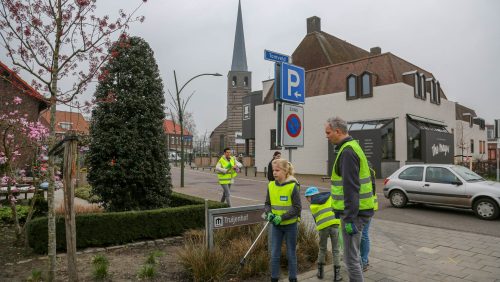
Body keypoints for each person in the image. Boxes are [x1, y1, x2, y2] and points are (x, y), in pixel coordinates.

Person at [325, 116, 374, 282]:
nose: (326, 136)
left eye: (328, 132)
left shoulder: (347, 152)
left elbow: (351, 188)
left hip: (353, 214)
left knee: (351, 259)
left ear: (337, 131)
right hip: (359, 211)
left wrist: (350, 218)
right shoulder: (353, 147)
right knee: (354, 257)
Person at [264, 159, 301, 282]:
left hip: (290, 226)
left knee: (291, 254)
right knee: (274, 254)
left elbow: (297, 208)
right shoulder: (270, 185)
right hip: (276, 226)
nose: (274, 173)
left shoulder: (292, 186)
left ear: (285, 171)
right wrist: (269, 214)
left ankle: (292, 278)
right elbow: (267, 204)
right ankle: (274, 278)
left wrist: (282, 217)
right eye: (273, 170)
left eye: (277, 170)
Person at [304, 186, 343, 281]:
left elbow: (316, 220)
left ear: (311, 196)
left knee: (322, 249)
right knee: (336, 250)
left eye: (307, 197)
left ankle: (320, 273)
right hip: (334, 225)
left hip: (323, 228)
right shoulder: (330, 197)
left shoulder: (313, 206)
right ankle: (337, 275)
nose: (307, 200)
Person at [360, 163, 378, 272]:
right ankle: (364, 260)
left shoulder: (365, 173)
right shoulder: (371, 171)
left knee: (362, 234)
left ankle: (363, 261)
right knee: (364, 234)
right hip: (370, 206)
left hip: (364, 207)